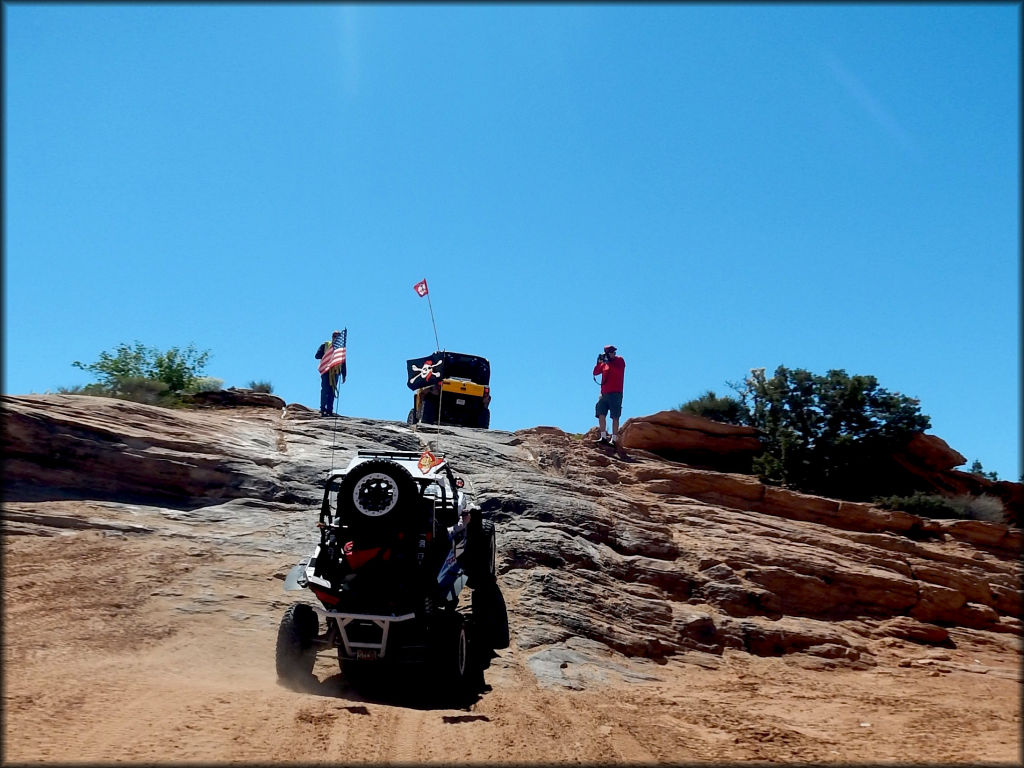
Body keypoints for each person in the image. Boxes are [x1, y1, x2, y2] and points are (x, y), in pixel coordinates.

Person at [593, 344, 625, 445]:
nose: (613, 354)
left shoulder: (619, 360)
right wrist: (599, 362)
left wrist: (609, 363)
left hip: (616, 393)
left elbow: (618, 371)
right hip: (604, 393)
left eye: (614, 352)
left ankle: (614, 439)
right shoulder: (604, 363)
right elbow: (595, 372)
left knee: (615, 416)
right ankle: (603, 437)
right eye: (611, 352)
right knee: (601, 413)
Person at [315, 330, 347, 417]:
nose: (336, 338)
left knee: (332, 391)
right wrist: (327, 356)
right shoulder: (325, 345)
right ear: (332, 337)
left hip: (335, 372)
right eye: (334, 336)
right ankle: (322, 408)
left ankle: (329, 410)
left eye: (337, 336)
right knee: (325, 390)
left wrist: (344, 374)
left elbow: (343, 362)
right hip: (326, 371)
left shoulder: (340, 349)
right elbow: (317, 355)